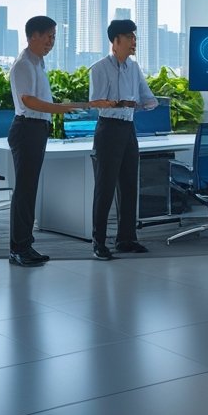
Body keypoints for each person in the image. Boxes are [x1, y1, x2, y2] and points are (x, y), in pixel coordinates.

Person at [7, 15, 114, 267]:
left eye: (54, 37)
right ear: (33, 36)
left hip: (36, 129)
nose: (51, 42)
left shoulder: (38, 63)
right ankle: (18, 249)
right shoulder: (24, 64)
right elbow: (29, 102)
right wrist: (67, 107)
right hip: (27, 129)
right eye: (48, 36)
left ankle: (25, 245)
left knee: (29, 189)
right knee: (24, 191)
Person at [88, 19, 159, 261]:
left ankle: (126, 239)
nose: (134, 42)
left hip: (129, 129)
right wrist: (122, 103)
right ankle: (98, 242)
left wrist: (148, 104)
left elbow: (146, 97)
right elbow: (97, 102)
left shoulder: (134, 68)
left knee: (130, 185)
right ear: (115, 41)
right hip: (108, 129)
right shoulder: (99, 69)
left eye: (135, 37)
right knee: (105, 187)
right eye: (129, 37)